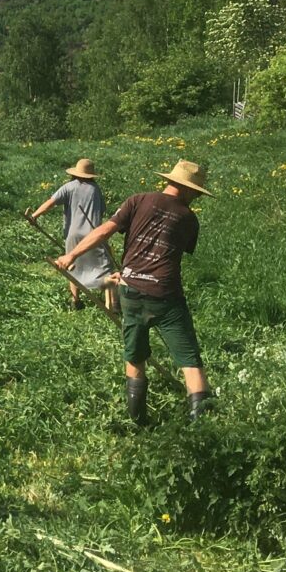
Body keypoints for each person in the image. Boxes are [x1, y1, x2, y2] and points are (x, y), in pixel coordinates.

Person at [56, 159, 213, 425]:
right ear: (186, 189)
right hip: (166, 294)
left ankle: (138, 422)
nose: (196, 198)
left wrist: (72, 254)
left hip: (131, 291)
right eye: (196, 193)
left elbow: (105, 230)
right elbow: (166, 254)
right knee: (190, 361)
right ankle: (204, 430)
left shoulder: (138, 200)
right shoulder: (188, 218)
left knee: (135, 356)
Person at [26, 158, 117, 316]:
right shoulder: (96, 189)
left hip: (72, 234)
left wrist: (34, 216)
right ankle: (111, 303)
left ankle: (75, 300)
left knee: (72, 265)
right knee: (105, 267)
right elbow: (101, 211)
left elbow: (50, 202)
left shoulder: (68, 187)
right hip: (94, 234)